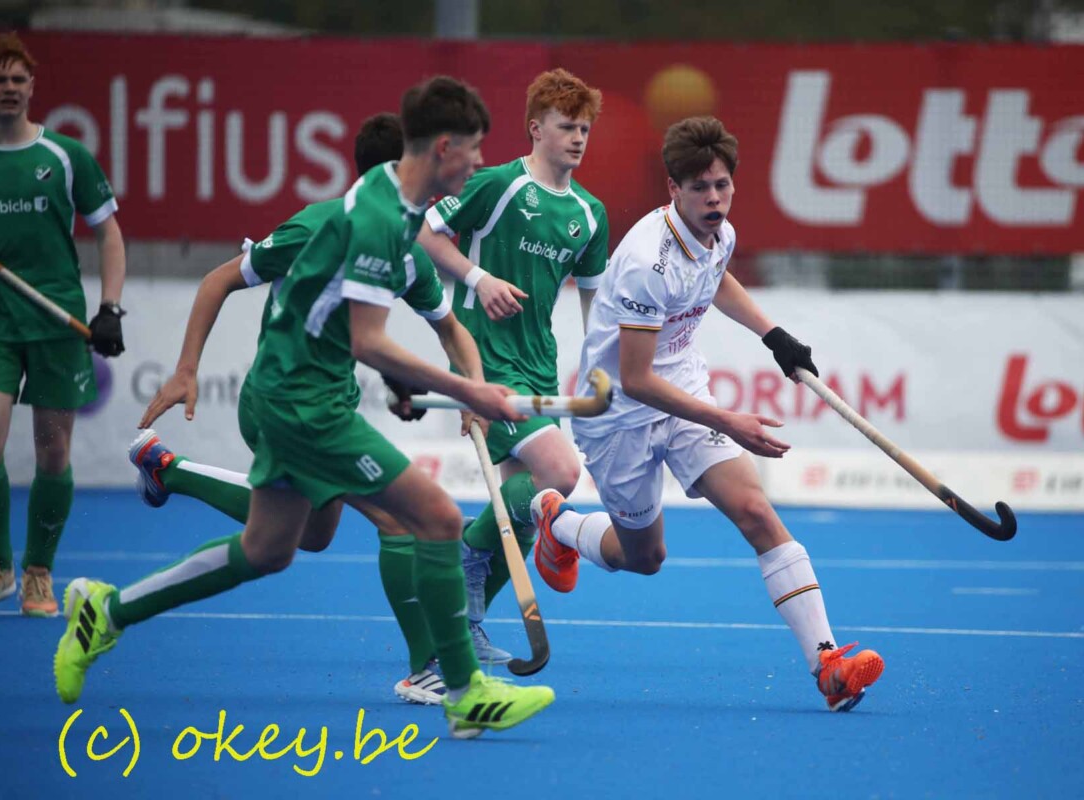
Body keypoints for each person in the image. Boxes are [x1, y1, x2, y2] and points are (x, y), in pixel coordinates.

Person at [54, 76, 555, 739]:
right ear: (443, 147)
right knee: (434, 518)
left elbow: (423, 327)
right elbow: (367, 340)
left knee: (269, 549)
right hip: (302, 405)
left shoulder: (400, 216)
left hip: (307, 394)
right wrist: (470, 391)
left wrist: (447, 380)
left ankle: (106, 611)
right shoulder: (376, 219)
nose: (480, 162)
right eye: (474, 149)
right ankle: (460, 689)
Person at [530, 116, 885, 712]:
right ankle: (558, 523)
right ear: (674, 189)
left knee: (755, 511)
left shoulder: (719, 233)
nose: (714, 198)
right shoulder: (648, 262)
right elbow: (638, 380)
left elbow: (717, 280)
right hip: (619, 414)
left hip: (684, 392)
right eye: (700, 188)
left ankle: (828, 666)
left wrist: (774, 336)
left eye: (722, 185)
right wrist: (727, 421)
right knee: (644, 559)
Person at [130, 112, 474, 705]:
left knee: (305, 538)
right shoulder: (316, 226)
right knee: (400, 520)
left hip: (330, 407)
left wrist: (474, 387)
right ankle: (428, 670)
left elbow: (449, 329)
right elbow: (217, 281)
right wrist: (186, 369)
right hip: (284, 406)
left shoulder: (408, 251)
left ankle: (168, 472)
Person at [416, 68, 607, 662]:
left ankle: (462, 629)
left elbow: (595, 308)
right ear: (536, 129)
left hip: (539, 363)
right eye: (566, 127)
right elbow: (425, 234)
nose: (578, 138)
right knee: (560, 473)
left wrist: (604, 371)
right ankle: (466, 560)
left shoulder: (590, 213)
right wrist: (479, 277)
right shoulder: (499, 183)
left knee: (517, 516)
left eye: (584, 129)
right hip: (484, 357)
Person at [0, 32, 127, 617]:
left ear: (32, 86)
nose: (8, 88)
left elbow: (108, 233)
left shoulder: (66, 156)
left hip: (56, 324)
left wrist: (110, 307)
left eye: (16, 79)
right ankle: (0, 565)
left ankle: (37, 572)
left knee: (53, 455)